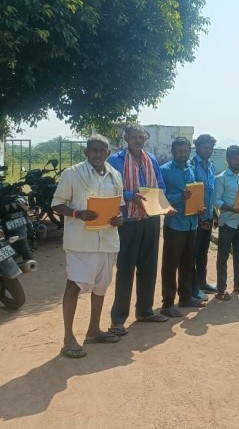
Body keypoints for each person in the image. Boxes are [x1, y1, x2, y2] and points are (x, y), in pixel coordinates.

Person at [52, 135, 125, 359]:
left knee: (101, 286)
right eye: (94, 150)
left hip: (108, 241)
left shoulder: (115, 175)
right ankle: (68, 338)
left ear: (108, 153)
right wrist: (77, 213)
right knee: (73, 286)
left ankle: (93, 330)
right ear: (86, 152)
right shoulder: (72, 173)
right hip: (81, 242)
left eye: (102, 150)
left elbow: (119, 206)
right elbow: (56, 204)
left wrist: (119, 218)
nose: (98, 154)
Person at [108, 125, 168, 337]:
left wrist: (164, 206)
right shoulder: (115, 160)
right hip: (128, 220)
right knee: (126, 269)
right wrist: (130, 195)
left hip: (150, 218)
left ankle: (145, 311)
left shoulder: (151, 158)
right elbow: (110, 188)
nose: (138, 140)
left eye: (141, 137)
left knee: (149, 267)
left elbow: (160, 185)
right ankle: (118, 319)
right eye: (134, 137)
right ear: (126, 138)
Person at [160, 137, 206, 317]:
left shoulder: (191, 169)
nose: (183, 155)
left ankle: (185, 297)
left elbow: (194, 193)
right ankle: (168, 303)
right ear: (173, 152)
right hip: (175, 224)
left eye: (186, 151)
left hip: (191, 223)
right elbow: (161, 198)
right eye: (179, 151)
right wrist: (180, 196)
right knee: (170, 265)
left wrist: (199, 208)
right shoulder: (164, 170)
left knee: (187, 263)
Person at [212, 145, 239, 300]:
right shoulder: (221, 178)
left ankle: (238, 284)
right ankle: (221, 290)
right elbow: (216, 201)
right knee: (223, 257)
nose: (238, 162)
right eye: (235, 159)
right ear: (228, 159)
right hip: (227, 223)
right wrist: (232, 209)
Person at [191, 134, 218, 301]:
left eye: (210, 148)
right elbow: (193, 191)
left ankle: (202, 282)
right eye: (205, 148)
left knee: (203, 252)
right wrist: (198, 215)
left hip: (208, 216)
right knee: (193, 254)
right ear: (198, 148)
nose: (208, 151)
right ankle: (193, 287)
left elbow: (211, 193)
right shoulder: (192, 165)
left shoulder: (211, 166)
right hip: (196, 218)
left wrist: (214, 214)